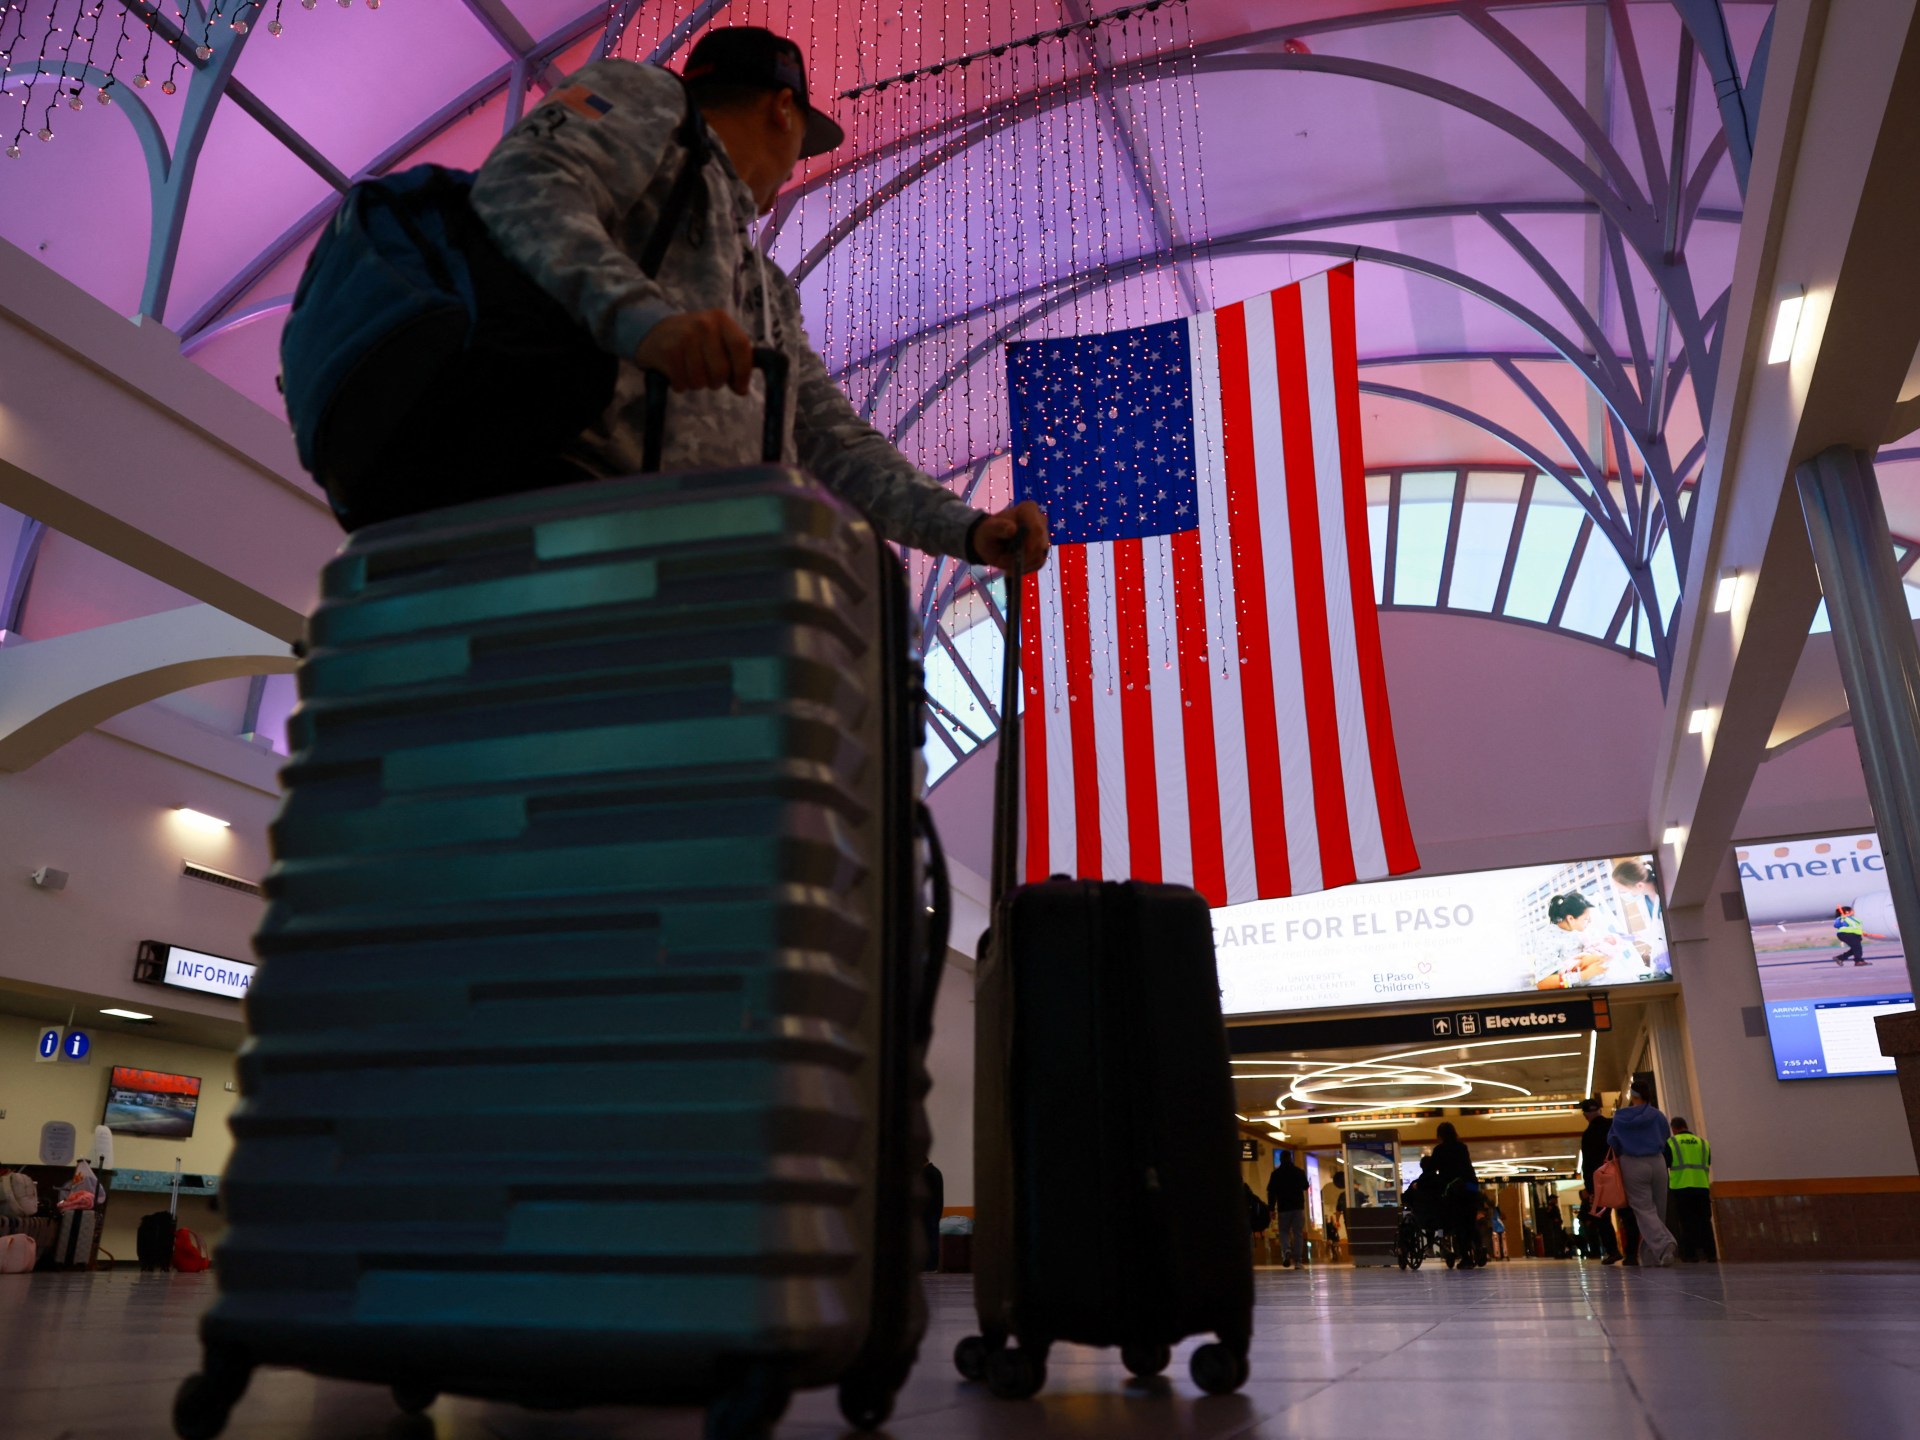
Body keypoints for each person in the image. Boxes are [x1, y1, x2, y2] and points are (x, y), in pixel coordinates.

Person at [465, 27, 1051, 573]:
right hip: (575, 528)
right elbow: (521, 181)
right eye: (802, 145)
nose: (796, 166)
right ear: (782, 109)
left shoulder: (765, 288)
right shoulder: (646, 96)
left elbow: (829, 438)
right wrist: (645, 320)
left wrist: (968, 528)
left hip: (700, 571)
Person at [1608, 1080, 1678, 1267]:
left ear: (1632, 1096)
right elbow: (1666, 1137)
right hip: (1657, 1161)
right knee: (1658, 1210)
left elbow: (1613, 1141)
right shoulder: (1658, 1115)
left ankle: (1663, 1245)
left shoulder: (1620, 1117)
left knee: (1644, 1210)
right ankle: (1652, 1256)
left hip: (1632, 1163)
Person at [1539, 892, 1651, 988]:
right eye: (1586, 919)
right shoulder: (1549, 938)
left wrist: (1598, 956)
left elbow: (1599, 949)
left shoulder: (1582, 930)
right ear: (1571, 918)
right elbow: (1543, 984)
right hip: (1588, 985)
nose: (1590, 922)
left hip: (1606, 975)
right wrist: (1584, 974)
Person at [1429, 1122, 1481, 1270]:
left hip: (1454, 1192)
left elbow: (1433, 1169)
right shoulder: (1462, 1147)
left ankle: (1465, 1257)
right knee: (1470, 1223)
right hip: (1469, 1188)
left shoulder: (1439, 1150)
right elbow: (1467, 1167)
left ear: (1440, 1135)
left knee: (1459, 1225)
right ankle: (1478, 1249)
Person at [1666, 1118, 1717, 1262]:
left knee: (1686, 1221)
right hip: (1701, 1186)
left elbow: (1667, 1162)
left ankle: (1690, 1254)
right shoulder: (1703, 1143)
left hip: (1681, 1187)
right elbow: (1707, 1162)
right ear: (1686, 1126)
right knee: (1705, 1221)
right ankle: (1711, 1254)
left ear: (1674, 1129)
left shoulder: (1672, 1142)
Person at [1577, 1097, 1621, 1264]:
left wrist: (1589, 1188)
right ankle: (1633, 1252)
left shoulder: (1588, 1135)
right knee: (1629, 1213)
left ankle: (1613, 1251)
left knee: (1602, 1215)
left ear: (1585, 1115)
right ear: (1600, 1110)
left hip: (1601, 1180)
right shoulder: (1613, 1125)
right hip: (1621, 1174)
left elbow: (1588, 1163)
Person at [1266, 1150, 1311, 1269]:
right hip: (1298, 1207)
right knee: (1298, 1233)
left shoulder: (1275, 1174)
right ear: (1291, 1158)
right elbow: (1306, 1186)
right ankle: (1298, 1261)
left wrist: (1271, 1209)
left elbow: (1271, 1192)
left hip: (1283, 1208)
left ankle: (1286, 1250)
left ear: (1280, 1159)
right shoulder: (1299, 1172)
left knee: (1284, 1232)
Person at [1320, 1168, 1346, 1259]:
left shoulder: (1326, 1189)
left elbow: (1337, 1209)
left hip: (1333, 1222)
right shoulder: (1346, 1192)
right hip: (1335, 1222)